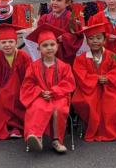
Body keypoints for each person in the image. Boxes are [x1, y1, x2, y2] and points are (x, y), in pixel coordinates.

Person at [21, 23, 75, 153]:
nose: (49, 48)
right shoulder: (33, 67)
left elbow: (68, 84)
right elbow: (28, 84)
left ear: (57, 46)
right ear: (39, 49)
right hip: (39, 96)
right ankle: (35, 137)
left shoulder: (64, 66)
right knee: (37, 106)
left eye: (52, 44)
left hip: (59, 96)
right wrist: (40, 92)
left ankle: (57, 140)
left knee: (58, 109)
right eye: (45, 45)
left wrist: (53, 91)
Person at [72, 23, 116, 142]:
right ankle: (94, 129)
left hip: (109, 87)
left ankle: (113, 131)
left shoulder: (113, 56)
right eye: (91, 38)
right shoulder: (80, 58)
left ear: (104, 40)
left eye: (99, 38)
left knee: (114, 100)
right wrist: (96, 79)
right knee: (86, 102)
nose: (95, 41)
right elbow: (80, 75)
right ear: (87, 42)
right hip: (89, 90)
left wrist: (109, 78)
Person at [0, 23, 32, 140]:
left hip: (21, 89)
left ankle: (16, 126)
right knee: (2, 97)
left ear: (16, 43)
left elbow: (29, 77)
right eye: (4, 42)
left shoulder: (24, 57)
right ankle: (9, 126)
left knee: (14, 96)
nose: (7, 45)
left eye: (11, 42)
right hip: (3, 90)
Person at [36, 0, 84, 65]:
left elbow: (78, 37)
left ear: (68, 3)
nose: (54, 2)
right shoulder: (45, 18)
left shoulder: (72, 19)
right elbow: (39, 35)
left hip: (64, 57)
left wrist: (65, 38)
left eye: (59, 0)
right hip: (48, 54)